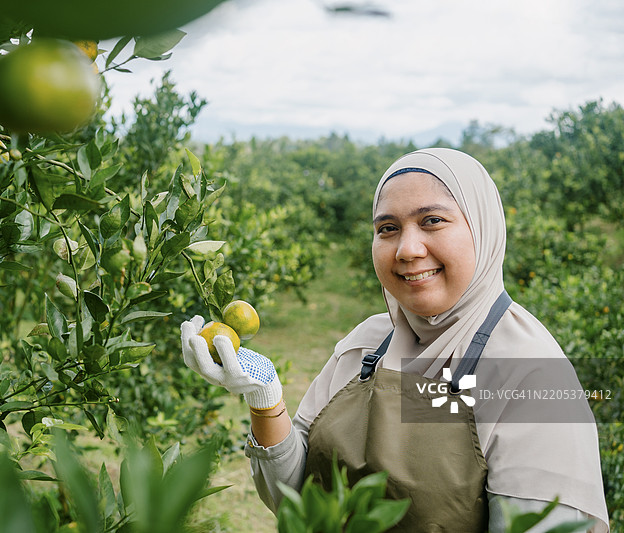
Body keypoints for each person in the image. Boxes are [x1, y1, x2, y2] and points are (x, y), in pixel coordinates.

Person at [180, 148, 609, 532]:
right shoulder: (367, 344)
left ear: (483, 227)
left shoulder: (528, 374)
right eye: (387, 228)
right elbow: (297, 502)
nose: (407, 249)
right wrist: (266, 398)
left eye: (432, 221)